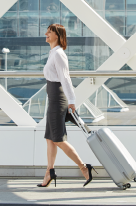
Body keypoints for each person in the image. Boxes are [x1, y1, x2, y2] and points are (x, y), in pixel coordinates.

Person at [37, 23, 96, 188]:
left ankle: (84, 167)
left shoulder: (58, 54)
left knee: (58, 139)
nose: (46, 34)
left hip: (58, 99)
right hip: (53, 98)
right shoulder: (52, 53)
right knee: (50, 138)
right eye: (47, 31)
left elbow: (65, 78)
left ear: (58, 36)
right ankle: (49, 172)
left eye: (50, 32)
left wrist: (72, 101)